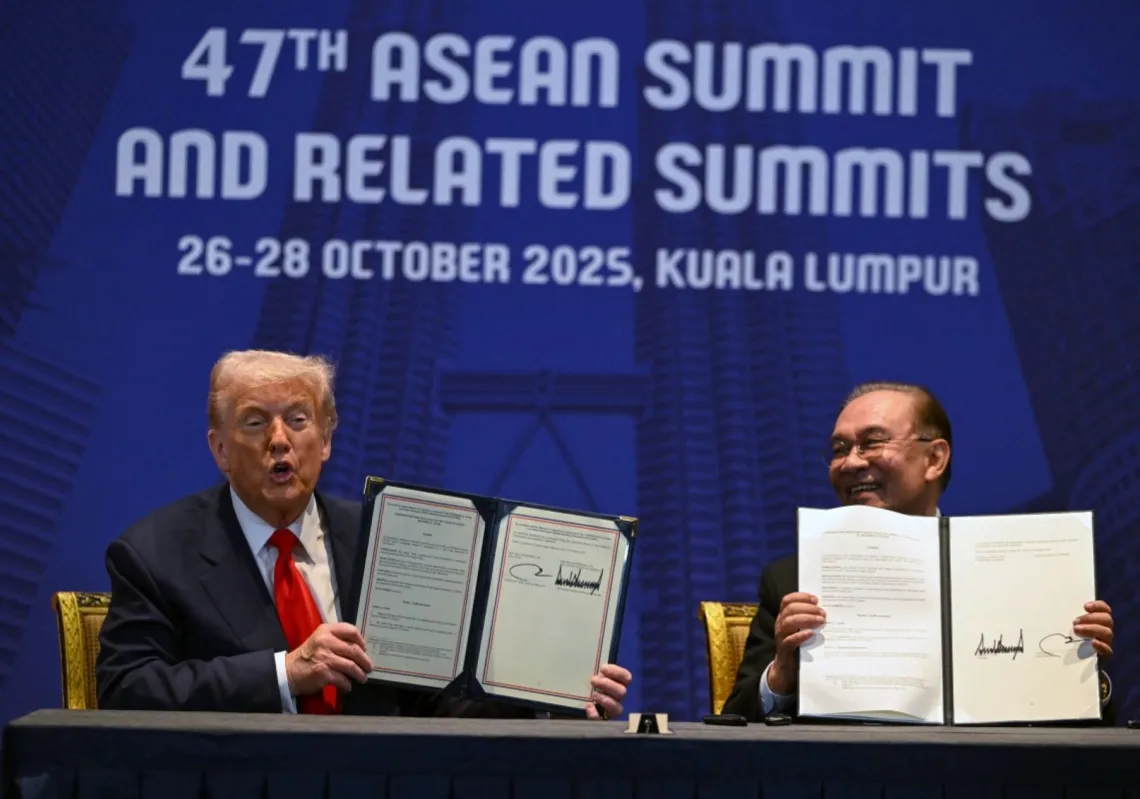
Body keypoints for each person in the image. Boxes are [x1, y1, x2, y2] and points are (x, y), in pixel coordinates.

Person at [95, 349, 632, 718]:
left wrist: (552, 697)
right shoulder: (155, 553)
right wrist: (285, 672)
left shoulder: (387, 538)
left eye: (299, 421)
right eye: (256, 422)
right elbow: (125, 692)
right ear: (218, 449)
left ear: (325, 441)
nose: (279, 441)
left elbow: (436, 702)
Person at [722, 381, 1116, 723]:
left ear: (935, 458)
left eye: (872, 442)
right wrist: (782, 675)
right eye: (839, 448)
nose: (851, 462)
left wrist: (1081, 671)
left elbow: (1088, 740)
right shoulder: (792, 580)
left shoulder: (1030, 571)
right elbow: (737, 722)